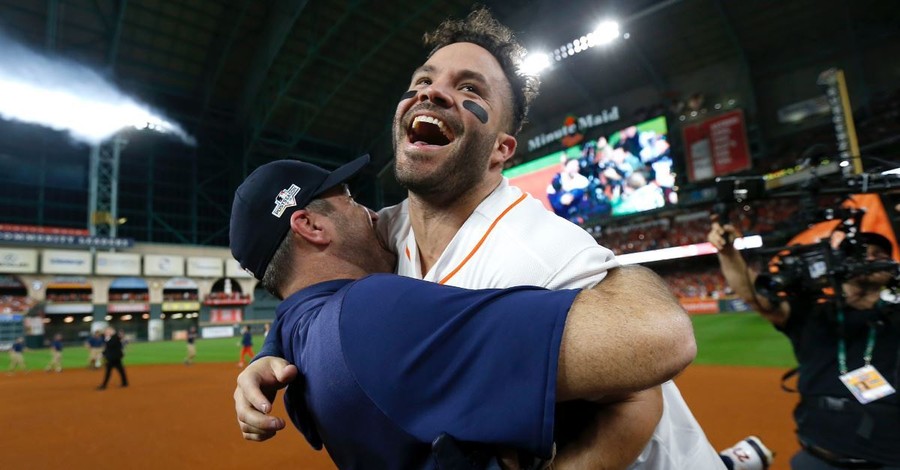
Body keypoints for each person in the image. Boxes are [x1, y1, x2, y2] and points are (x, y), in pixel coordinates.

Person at [235, 6, 753, 469]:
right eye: (422, 80)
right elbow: (310, 276)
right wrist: (269, 350)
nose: (430, 92)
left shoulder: (536, 253)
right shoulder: (385, 228)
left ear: (501, 150)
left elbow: (643, 394)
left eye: (470, 90)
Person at [229, 156, 697, 468]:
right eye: (349, 199)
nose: (369, 212)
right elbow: (655, 347)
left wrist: (261, 356)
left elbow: (291, 317)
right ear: (309, 225)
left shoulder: (297, 330)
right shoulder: (372, 311)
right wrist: (611, 266)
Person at [709, 218, 900, 468]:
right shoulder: (812, 313)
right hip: (816, 457)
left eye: (880, 254)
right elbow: (754, 295)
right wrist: (728, 253)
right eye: (864, 252)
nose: (873, 258)